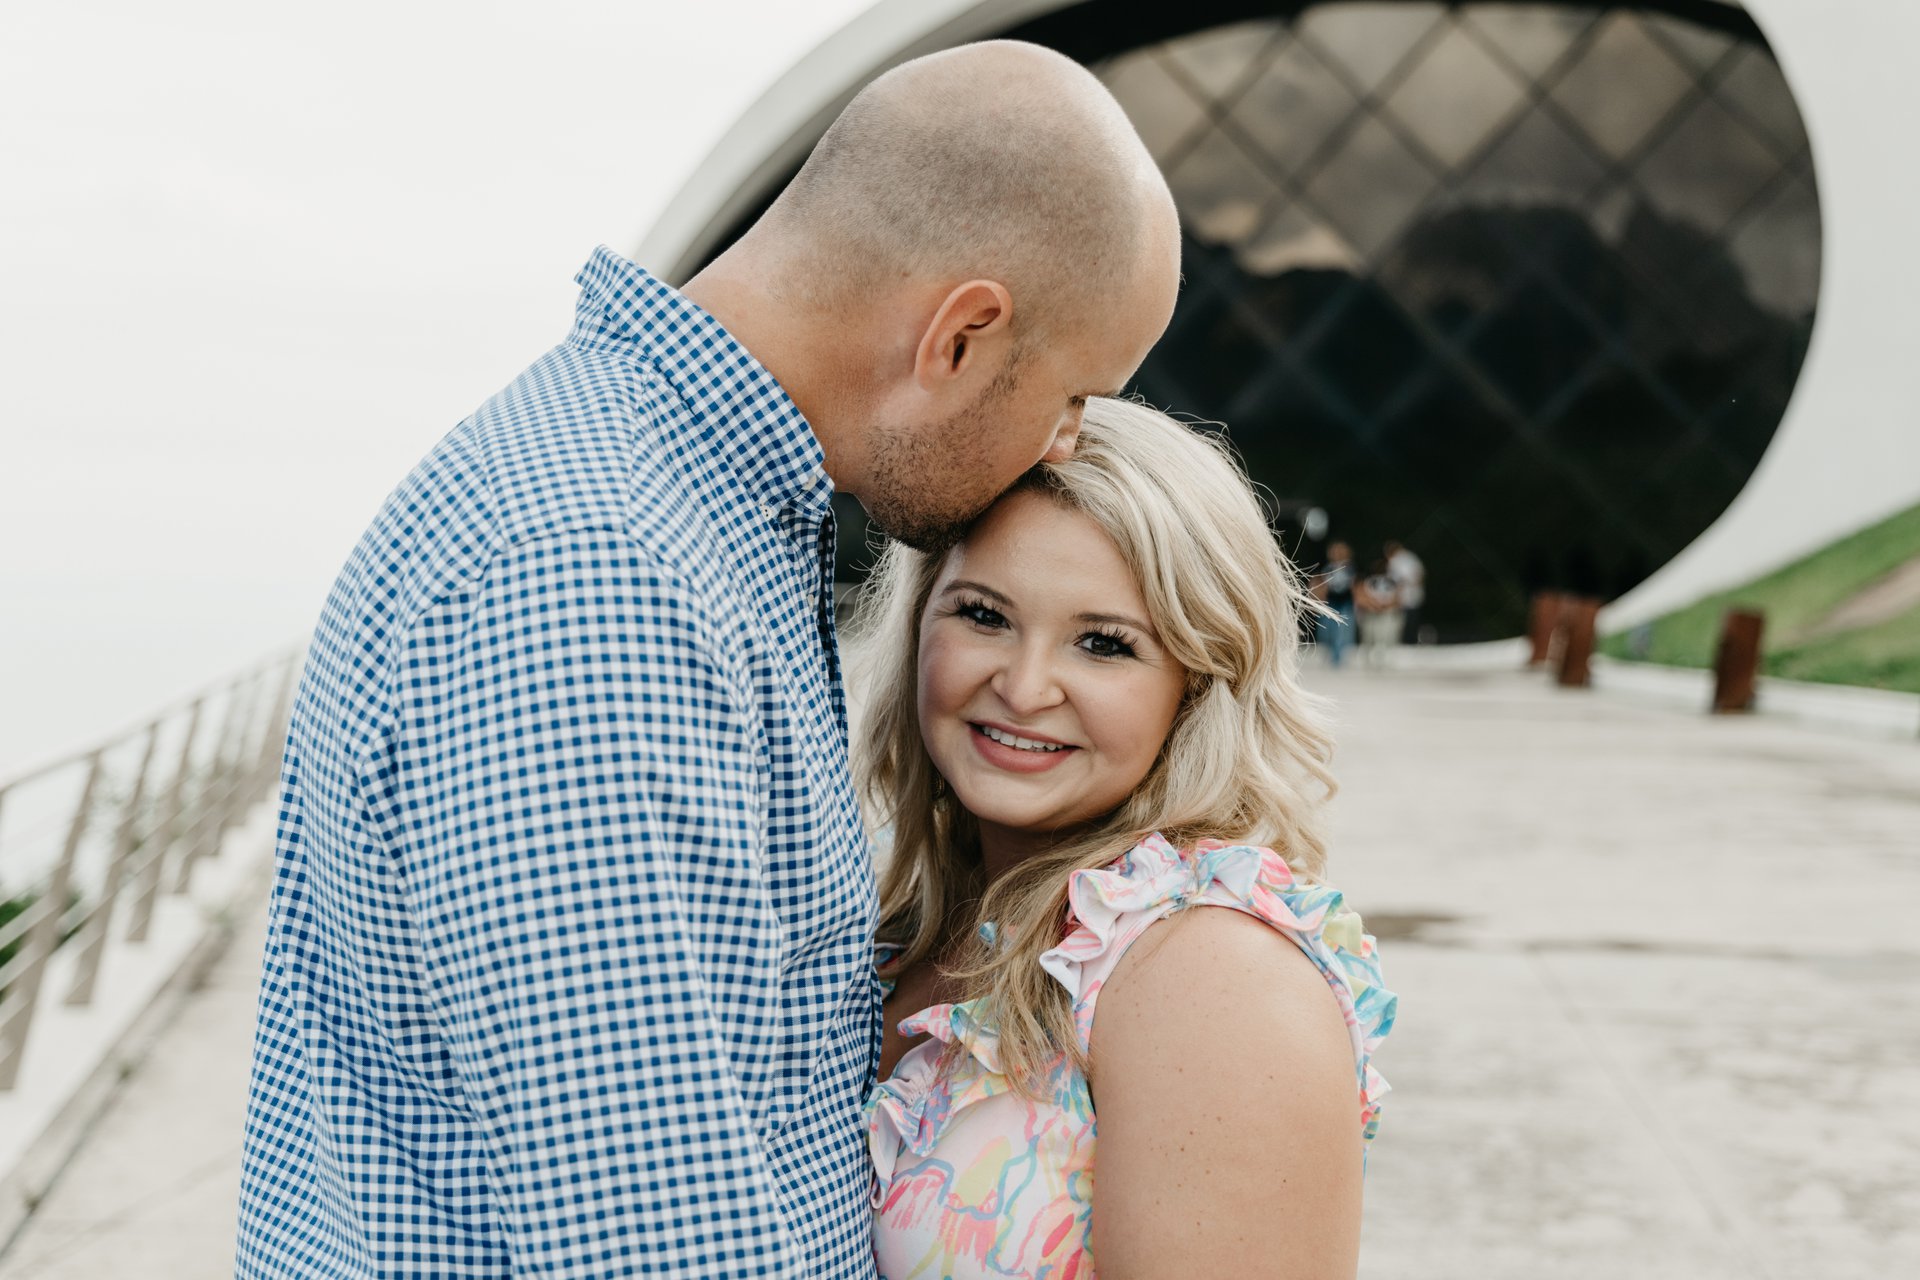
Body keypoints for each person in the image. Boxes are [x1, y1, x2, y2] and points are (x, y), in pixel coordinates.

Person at [235, 41, 1181, 1280]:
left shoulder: (674, 516)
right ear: (961, 336)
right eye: (1074, 396)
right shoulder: (594, 574)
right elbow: (652, 1243)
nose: (1064, 446)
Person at [849, 399, 1395, 1279]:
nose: (1024, 688)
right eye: (984, 615)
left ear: (1196, 681)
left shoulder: (1208, 976)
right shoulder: (895, 927)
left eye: (1103, 644)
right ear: (918, 625)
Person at [1314, 539, 1358, 667]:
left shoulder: (1351, 568)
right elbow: (1321, 585)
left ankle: (1338, 657)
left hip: (1345, 602)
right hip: (1330, 602)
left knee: (1342, 630)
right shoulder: (1327, 567)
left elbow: (1355, 586)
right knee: (1327, 630)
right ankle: (1331, 653)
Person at [1357, 558, 1403, 667]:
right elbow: (1362, 596)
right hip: (1372, 613)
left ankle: (1385, 660)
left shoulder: (1392, 582)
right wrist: (1373, 605)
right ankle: (1369, 660)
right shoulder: (1369, 581)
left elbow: (1398, 599)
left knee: (1386, 637)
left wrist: (1386, 606)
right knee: (1370, 637)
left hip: (1387, 613)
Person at [1385, 539, 1426, 644]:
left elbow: (1395, 582)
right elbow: (1420, 576)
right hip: (1414, 596)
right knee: (1412, 622)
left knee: (1405, 624)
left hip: (1404, 598)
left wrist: (1396, 597)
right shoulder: (1412, 558)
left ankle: (1406, 642)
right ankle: (1412, 642)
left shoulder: (1396, 561)